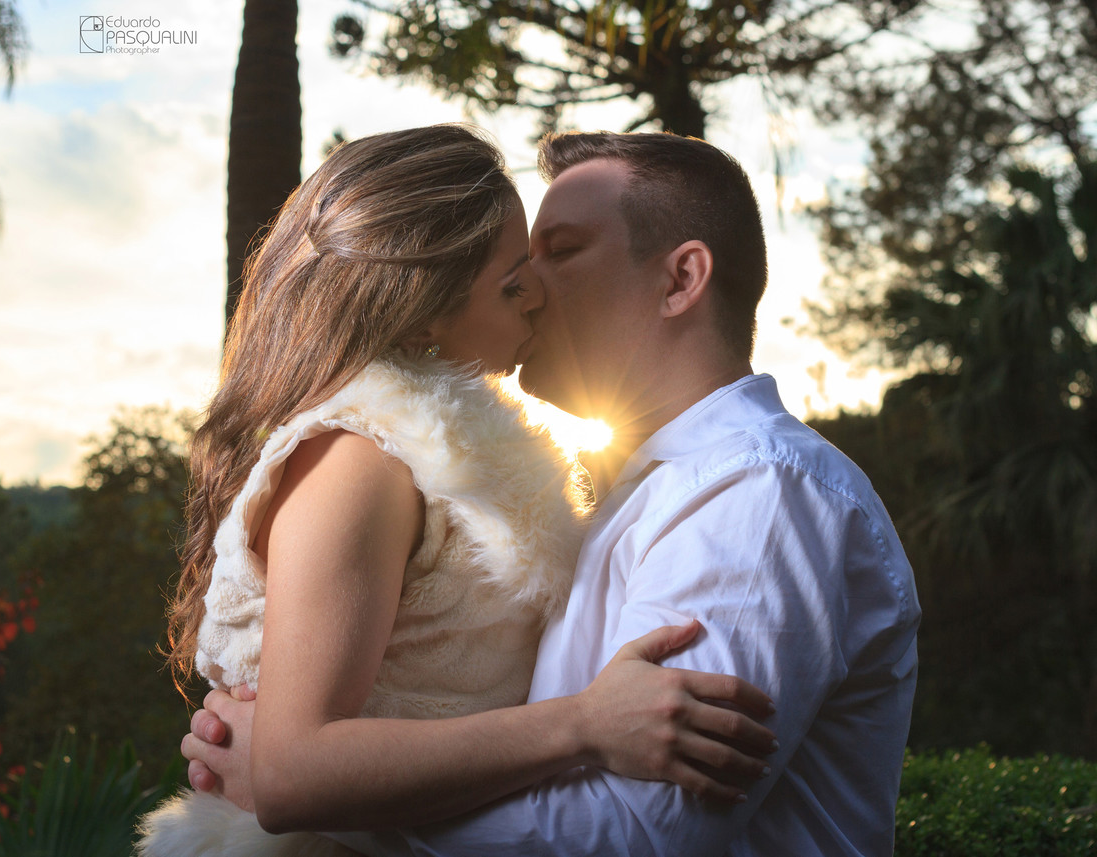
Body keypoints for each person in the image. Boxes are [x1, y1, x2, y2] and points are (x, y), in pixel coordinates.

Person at [186, 130, 921, 856]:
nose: (528, 285)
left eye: (561, 250)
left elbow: (640, 830)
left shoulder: (757, 496)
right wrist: (307, 775)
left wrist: (313, 795)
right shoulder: (632, 495)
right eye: (517, 266)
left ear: (680, 280)